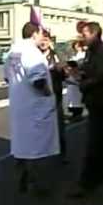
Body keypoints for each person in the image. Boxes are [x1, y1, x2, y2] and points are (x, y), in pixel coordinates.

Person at [3, 22, 59, 197]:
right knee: (37, 147)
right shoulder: (32, 53)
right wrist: (49, 94)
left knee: (22, 145)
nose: (42, 37)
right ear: (35, 34)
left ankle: (22, 179)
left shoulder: (12, 52)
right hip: (35, 106)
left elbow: (6, 77)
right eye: (41, 34)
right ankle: (37, 185)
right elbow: (38, 80)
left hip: (19, 105)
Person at [68, 22, 103, 198]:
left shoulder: (101, 50)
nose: (82, 37)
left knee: (93, 143)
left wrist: (82, 83)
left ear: (93, 33)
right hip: (96, 101)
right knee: (98, 141)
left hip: (101, 101)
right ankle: (101, 175)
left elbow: (102, 75)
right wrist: (78, 71)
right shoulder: (92, 50)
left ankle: (86, 183)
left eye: (84, 34)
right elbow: (91, 69)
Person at [39, 30, 68, 164]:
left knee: (58, 127)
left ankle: (62, 154)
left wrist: (61, 69)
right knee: (40, 128)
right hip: (39, 97)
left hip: (55, 96)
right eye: (42, 39)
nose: (43, 42)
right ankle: (41, 153)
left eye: (46, 40)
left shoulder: (56, 55)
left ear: (50, 41)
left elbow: (65, 74)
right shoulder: (34, 55)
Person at [65, 40, 86, 121]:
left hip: (78, 78)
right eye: (75, 46)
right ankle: (74, 113)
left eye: (78, 46)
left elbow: (82, 65)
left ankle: (78, 114)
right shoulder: (75, 55)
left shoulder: (84, 55)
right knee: (71, 98)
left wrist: (76, 68)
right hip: (71, 78)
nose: (77, 48)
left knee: (77, 98)